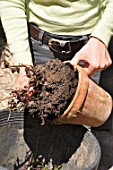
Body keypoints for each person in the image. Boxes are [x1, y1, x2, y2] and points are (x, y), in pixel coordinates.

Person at [0, 0, 113, 129]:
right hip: (39, 46)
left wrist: (102, 37)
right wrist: (23, 62)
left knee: (88, 120)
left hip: (92, 48)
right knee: (41, 124)